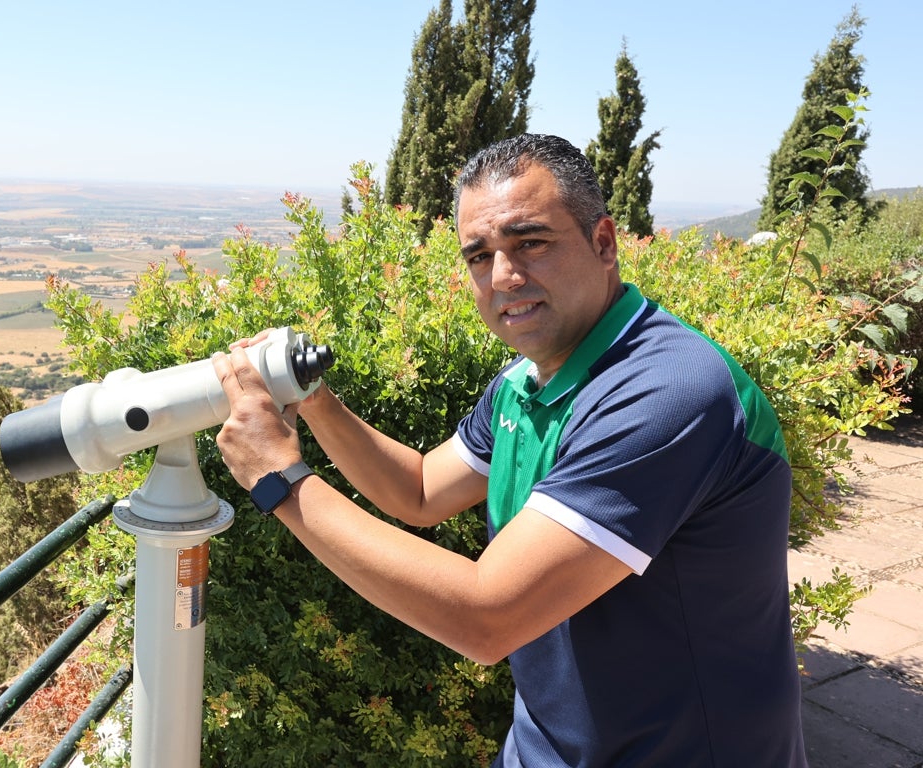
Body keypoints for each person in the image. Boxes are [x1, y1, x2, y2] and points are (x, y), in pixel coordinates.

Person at [212, 133, 807, 766]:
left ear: (603, 243)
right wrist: (313, 398)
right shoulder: (530, 381)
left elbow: (487, 616)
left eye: (530, 242)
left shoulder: (667, 392)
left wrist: (280, 479)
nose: (503, 277)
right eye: (480, 255)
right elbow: (417, 491)